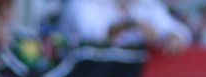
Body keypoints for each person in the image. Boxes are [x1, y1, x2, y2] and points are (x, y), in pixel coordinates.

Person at [61, 0, 192, 50]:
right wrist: (132, 24)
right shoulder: (82, 3)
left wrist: (173, 37)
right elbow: (95, 35)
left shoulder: (145, 4)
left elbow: (178, 30)